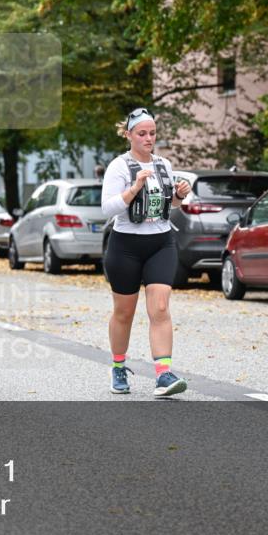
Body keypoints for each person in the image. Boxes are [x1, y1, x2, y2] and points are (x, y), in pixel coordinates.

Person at [100, 108, 192, 397]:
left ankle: (163, 375)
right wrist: (135, 186)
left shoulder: (163, 164)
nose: (148, 138)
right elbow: (108, 209)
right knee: (124, 313)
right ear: (129, 135)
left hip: (160, 242)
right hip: (125, 245)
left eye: (152, 133)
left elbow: (171, 205)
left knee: (161, 308)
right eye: (142, 133)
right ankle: (118, 367)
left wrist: (179, 195)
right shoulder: (118, 166)